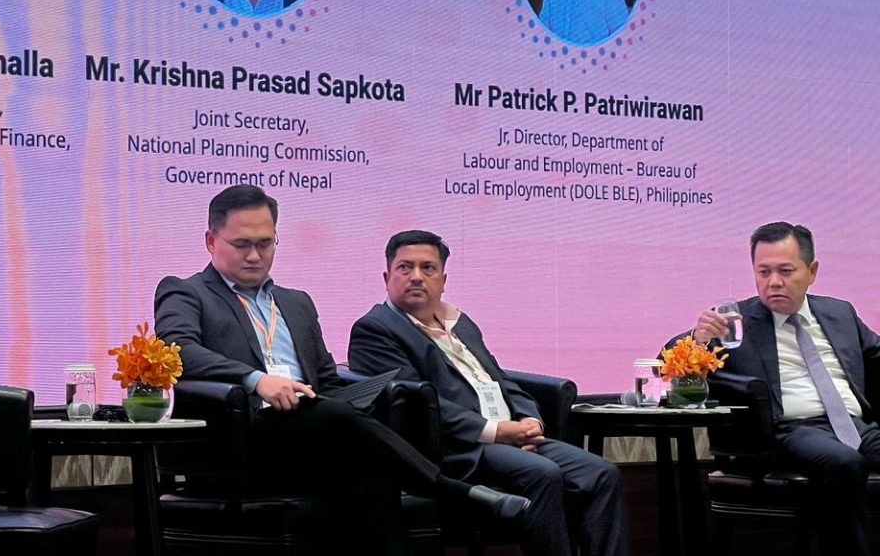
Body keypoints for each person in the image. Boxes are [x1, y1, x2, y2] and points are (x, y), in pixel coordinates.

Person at [154, 185, 528, 554]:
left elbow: (327, 381)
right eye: (241, 244)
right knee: (337, 419)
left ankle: (447, 493)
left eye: (265, 243)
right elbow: (179, 350)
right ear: (211, 241)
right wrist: (256, 380)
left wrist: (365, 396)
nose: (254, 255)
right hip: (244, 437)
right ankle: (452, 489)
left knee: (371, 474)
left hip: (314, 438)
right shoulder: (186, 292)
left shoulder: (296, 303)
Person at [349, 230, 629, 556]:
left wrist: (530, 420)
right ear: (387, 277)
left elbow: (500, 380)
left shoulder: (459, 323)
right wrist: (496, 431)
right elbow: (418, 405)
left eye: (428, 268)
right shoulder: (375, 329)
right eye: (405, 267)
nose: (416, 276)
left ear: (443, 280)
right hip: (454, 448)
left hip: (508, 436)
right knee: (542, 473)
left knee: (601, 473)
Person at [689, 222, 880, 555]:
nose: (773, 282)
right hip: (792, 431)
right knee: (843, 462)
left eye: (785, 271)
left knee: (848, 457)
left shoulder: (840, 312)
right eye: (763, 272)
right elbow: (674, 364)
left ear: (812, 271)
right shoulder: (734, 321)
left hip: (858, 426)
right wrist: (699, 340)